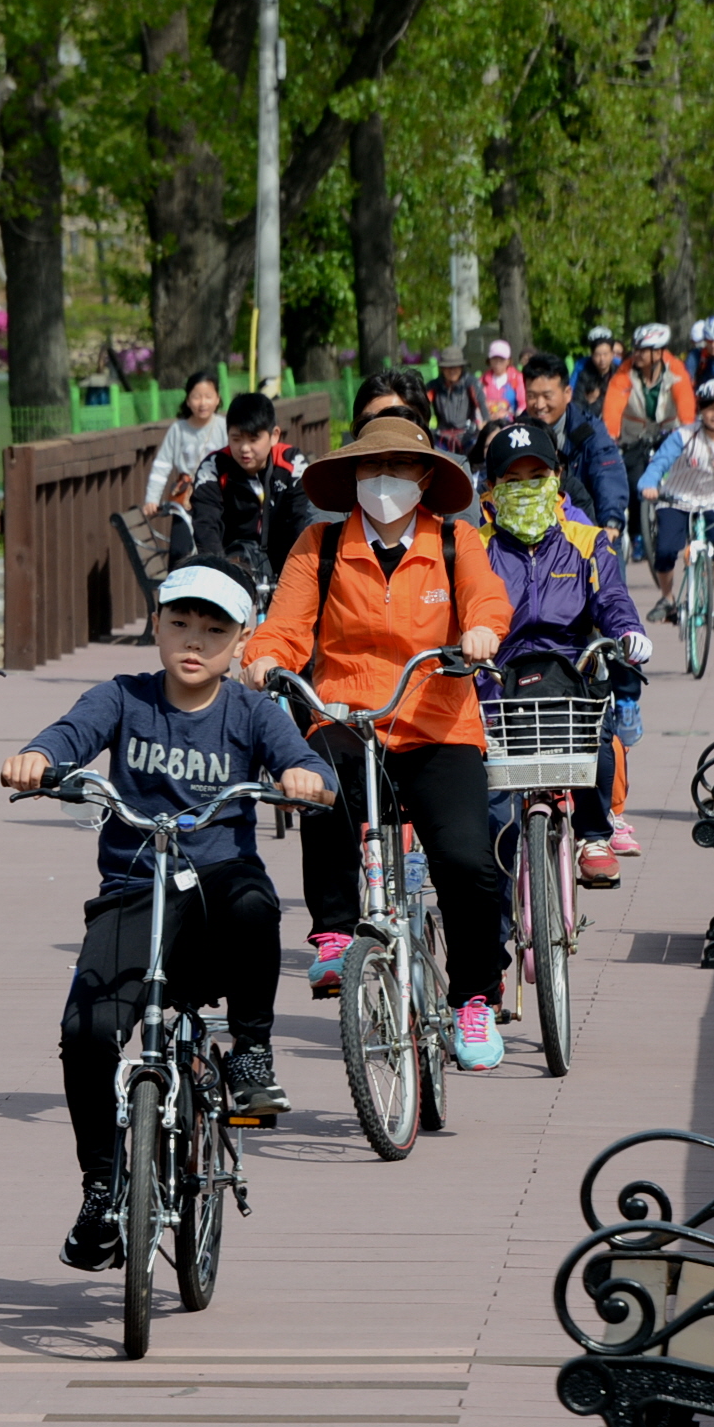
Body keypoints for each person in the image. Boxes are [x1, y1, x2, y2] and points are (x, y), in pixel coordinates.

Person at [1, 558, 337, 1271]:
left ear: (240, 641)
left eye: (213, 630)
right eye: (179, 622)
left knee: (255, 903)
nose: (193, 641)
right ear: (155, 625)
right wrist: (37, 756)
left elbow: (306, 763)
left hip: (218, 885)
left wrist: (304, 776)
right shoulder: (122, 697)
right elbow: (70, 733)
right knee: (86, 1032)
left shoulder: (250, 711)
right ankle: (101, 1187)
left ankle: (251, 1051)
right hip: (135, 885)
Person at [241, 416, 516, 1071]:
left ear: (425, 479)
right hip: (347, 714)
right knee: (316, 783)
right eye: (371, 467)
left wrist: (480, 633)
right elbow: (285, 626)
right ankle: (335, 933)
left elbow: (487, 602)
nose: (384, 480)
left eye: (398, 467)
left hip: (437, 723)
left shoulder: (454, 540)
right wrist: (263, 657)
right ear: (353, 477)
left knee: (468, 862)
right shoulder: (320, 544)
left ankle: (474, 996)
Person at [479, 421, 653, 886]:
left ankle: (593, 835)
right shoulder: (475, 547)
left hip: (571, 675)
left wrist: (629, 631)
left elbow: (611, 596)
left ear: (556, 478)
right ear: (491, 488)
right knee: (490, 821)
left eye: (536, 477)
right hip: (497, 683)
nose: (526, 488)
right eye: (512, 480)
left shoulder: (586, 540)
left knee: (598, 739)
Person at [638, 379, 714, 628]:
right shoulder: (683, 436)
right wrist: (649, 484)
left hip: (713, 502)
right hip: (676, 499)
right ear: (700, 410)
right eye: (709, 407)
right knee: (665, 550)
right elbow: (660, 463)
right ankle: (667, 599)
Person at [189, 391, 315, 587]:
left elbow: (302, 520)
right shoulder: (213, 467)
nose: (244, 448)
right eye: (236, 439)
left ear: (274, 436)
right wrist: (222, 574)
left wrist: (295, 575)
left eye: (253, 439)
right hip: (232, 565)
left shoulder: (293, 463)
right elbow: (205, 525)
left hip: (286, 567)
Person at [603, 323, 698, 562]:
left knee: (682, 472)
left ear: (658, 352)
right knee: (634, 480)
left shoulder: (676, 370)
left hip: (669, 430)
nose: (637, 354)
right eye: (636, 349)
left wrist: (688, 432)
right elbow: (613, 406)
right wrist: (611, 435)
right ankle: (638, 535)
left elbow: (686, 404)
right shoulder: (624, 373)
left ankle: (685, 522)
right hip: (635, 434)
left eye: (643, 350)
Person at [518, 350, 628, 535]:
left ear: (568, 393)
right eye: (532, 396)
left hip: (588, 526)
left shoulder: (589, 431)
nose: (539, 404)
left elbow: (607, 473)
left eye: (547, 396)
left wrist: (610, 522)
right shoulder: (515, 433)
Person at [141, 370, 226, 560]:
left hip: (217, 498)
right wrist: (152, 499)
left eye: (208, 396)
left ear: (217, 399)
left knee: (215, 549)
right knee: (180, 551)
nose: (202, 403)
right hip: (185, 499)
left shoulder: (224, 426)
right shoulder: (178, 429)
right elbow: (162, 465)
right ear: (187, 400)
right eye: (196, 397)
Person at [430, 347, 487, 453]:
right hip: (442, 437)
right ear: (442, 369)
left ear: (461, 367)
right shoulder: (434, 386)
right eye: (448, 367)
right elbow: (421, 406)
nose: (452, 371)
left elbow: (482, 406)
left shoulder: (471, 383)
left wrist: (486, 425)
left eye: (455, 367)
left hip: (468, 436)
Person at [570, 327, 622, 420]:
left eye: (605, 354)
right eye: (597, 355)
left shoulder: (621, 370)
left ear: (612, 354)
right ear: (592, 355)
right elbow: (575, 401)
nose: (602, 359)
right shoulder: (583, 371)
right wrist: (588, 403)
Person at [480, 340, 526, 424]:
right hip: (489, 424)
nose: (498, 363)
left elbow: (523, 404)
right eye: (494, 359)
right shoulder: (482, 380)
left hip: (512, 423)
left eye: (502, 359)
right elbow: (478, 405)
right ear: (489, 360)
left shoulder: (517, 378)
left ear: (508, 360)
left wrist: (518, 422)